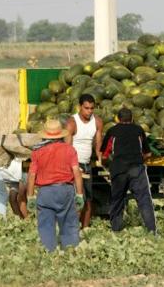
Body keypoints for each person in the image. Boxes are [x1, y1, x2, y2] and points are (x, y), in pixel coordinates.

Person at [27, 119, 85, 252]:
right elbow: (76, 172)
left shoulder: (37, 152)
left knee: (46, 225)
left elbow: (31, 175)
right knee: (69, 223)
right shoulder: (70, 150)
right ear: (61, 135)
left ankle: (49, 252)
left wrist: (30, 196)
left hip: (45, 192)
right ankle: (71, 251)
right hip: (65, 190)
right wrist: (80, 194)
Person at [100, 108, 156, 234]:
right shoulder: (138, 130)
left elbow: (104, 155)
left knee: (117, 200)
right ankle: (152, 230)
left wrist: (107, 164)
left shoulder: (112, 131)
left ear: (118, 119)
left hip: (119, 170)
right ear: (131, 119)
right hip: (136, 169)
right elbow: (148, 154)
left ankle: (116, 230)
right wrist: (139, 158)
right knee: (144, 200)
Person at [66, 94, 103, 228]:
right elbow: (67, 148)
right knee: (78, 199)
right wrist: (73, 167)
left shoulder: (97, 121)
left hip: (87, 165)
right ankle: (73, 229)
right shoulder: (72, 122)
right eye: (86, 108)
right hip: (75, 165)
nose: (89, 111)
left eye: (92, 108)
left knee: (88, 200)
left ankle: (85, 228)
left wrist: (100, 156)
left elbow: (98, 142)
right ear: (80, 107)